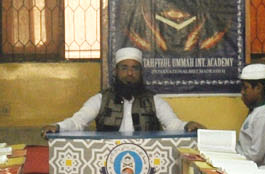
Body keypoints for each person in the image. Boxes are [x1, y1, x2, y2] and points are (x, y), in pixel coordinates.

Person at [47, 47, 193, 135]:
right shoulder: (101, 99)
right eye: (124, 68)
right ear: (116, 71)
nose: (130, 73)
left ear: (141, 72)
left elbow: (172, 124)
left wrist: (187, 126)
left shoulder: (154, 100)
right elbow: (78, 122)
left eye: (134, 68)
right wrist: (58, 127)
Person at [237, 63, 265, 165]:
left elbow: (255, 156)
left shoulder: (263, 116)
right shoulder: (256, 111)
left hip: (252, 169)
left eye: (245, 88)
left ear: (258, 88)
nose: (242, 92)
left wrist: (234, 159)